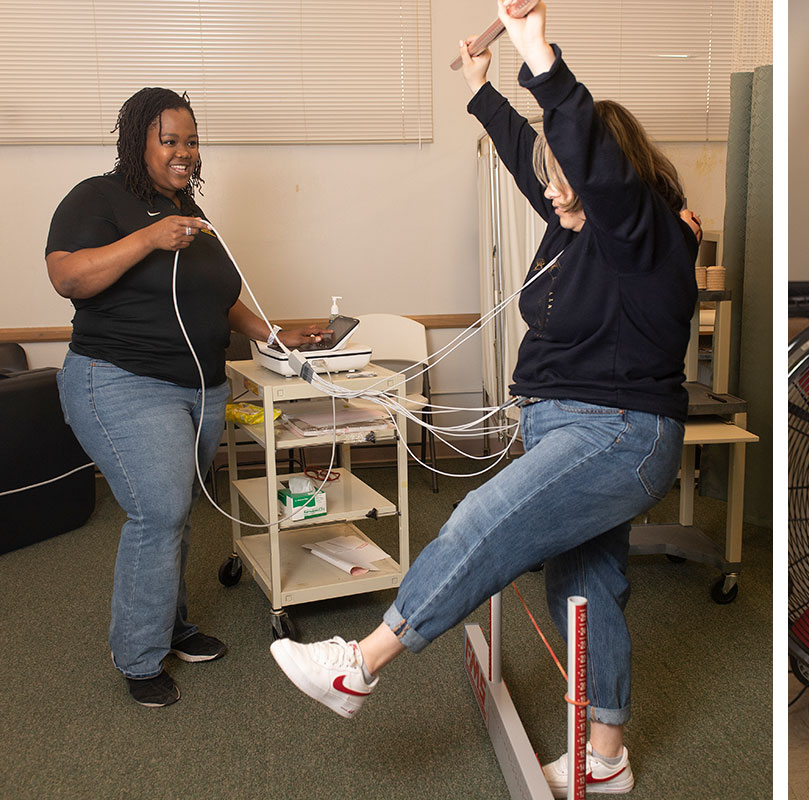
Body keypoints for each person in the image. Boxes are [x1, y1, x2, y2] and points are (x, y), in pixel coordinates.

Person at [269, 3, 697, 795]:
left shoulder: (644, 231)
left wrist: (538, 52)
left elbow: (589, 166)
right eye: (551, 181)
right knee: (585, 584)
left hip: (616, 433)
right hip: (576, 429)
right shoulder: (576, 228)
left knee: (480, 520)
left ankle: (361, 665)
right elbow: (535, 162)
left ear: (612, 174)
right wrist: (482, 90)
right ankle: (607, 755)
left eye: (570, 178)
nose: (555, 191)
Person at [45, 87, 330, 708]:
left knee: (173, 514)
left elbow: (220, 301)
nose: (183, 151)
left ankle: (170, 628)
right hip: (118, 380)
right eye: (169, 139)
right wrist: (149, 239)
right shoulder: (98, 198)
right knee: (162, 511)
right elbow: (68, 276)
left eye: (191, 140)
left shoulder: (195, 220)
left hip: (199, 390)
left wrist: (277, 334)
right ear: (138, 142)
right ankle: (139, 656)